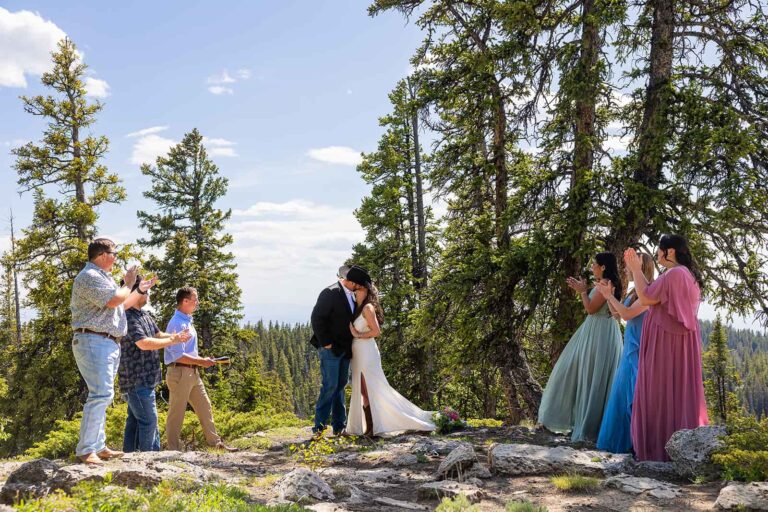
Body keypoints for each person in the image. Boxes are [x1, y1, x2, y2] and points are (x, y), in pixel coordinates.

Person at [70, 238, 156, 464]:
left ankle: (98, 446)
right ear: (101, 255)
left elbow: (122, 305)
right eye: (113, 253)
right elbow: (113, 300)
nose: (116, 257)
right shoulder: (89, 276)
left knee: (103, 394)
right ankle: (86, 449)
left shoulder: (101, 277)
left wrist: (138, 289)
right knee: (100, 394)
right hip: (93, 340)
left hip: (104, 342)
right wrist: (128, 283)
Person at [625, 235, 708, 461]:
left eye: (660, 250)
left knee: (657, 391)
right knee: (676, 391)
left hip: (665, 343)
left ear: (669, 252)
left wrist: (635, 269)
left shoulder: (673, 274)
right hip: (680, 344)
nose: (658, 253)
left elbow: (646, 296)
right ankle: (675, 447)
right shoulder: (688, 275)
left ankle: (655, 449)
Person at [537, 252, 623, 443]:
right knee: (587, 373)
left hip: (599, 332)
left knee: (590, 374)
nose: (592, 267)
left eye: (595, 264)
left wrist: (583, 292)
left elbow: (591, 309)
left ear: (603, 267)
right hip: (599, 330)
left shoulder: (604, 284)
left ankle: (588, 427)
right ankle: (583, 422)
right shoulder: (603, 283)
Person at [345, 276, 435, 436]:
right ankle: (369, 426)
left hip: (366, 353)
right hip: (357, 354)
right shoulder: (357, 307)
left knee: (369, 390)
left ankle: (371, 428)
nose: (354, 291)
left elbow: (376, 331)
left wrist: (357, 334)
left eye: (357, 289)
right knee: (363, 390)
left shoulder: (368, 308)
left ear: (364, 290)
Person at [118, 275, 191, 452]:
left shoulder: (144, 314)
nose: (148, 295)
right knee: (149, 421)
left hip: (146, 380)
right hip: (136, 380)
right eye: (145, 292)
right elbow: (143, 343)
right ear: (136, 293)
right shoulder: (127, 317)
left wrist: (176, 337)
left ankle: (129, 458)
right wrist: (173, 341)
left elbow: (157, 334)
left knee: (135, 421)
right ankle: (150, 459)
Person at [164, 286, 236, 452]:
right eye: (195, 300)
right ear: (185, 301)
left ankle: (215, 443)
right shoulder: (176, 323)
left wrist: (199, 363)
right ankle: (173, 450)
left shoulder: (187, 321)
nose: (197, 303)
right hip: (180, 372)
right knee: (177, 413)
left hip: (191, 372)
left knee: (205, 406)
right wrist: (201, 361)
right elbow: (177, 355)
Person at [595, 253, 655, 453]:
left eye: (630, 266)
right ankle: (623, 443)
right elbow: (618, 315)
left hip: (639, 349)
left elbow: (628, 315)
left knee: (633, 396)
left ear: (641, 267)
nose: (627, 270)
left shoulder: (649, 293)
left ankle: (636, 443)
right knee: (622, 394)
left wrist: (610, 296)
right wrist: (607, 296)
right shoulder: (633, 293)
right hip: (629, 347)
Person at [310, 265, 362, 436]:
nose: (359, 286)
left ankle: (339, 426)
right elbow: (317, 318)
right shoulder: (330, 292)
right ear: (350, 281)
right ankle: (319, 427)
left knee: (340, 385)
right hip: (330, 349)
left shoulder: (353, 296)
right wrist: (326, 343)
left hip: (345, 348)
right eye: (357, 283)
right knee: (330, 385)